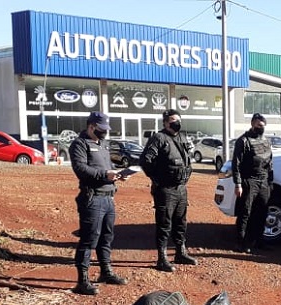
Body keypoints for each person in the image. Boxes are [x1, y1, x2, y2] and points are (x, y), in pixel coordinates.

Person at [69, 111, 129, 295]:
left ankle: (106, 272)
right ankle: (82, 281)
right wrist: (105, 174)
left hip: (108, 197)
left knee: (106, 237)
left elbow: (108, 167)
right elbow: (80, 169)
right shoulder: (80, 144)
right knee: (89, 239)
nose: (105, 132)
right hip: (92, 198)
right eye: (102, 129)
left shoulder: (103, 144)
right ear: (91, 126)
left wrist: (117, 174)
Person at [140, 109, 197, 272]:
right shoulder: (159, 138)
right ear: (165, 123)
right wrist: (157, 179)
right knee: (164, 224)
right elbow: (145, 161)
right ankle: (162, 258)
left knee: (181, 223)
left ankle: (180, 253)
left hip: (181, 188)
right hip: (166, 189)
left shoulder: (182, 137)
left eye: (178, 120)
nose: (176, 123)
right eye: (172, 120)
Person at [232, 113, 274, 254]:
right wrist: (238, 184)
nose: (261, 128)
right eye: (258, 125)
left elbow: (270, 163)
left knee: (262, 212)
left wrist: (270, 182)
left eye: (263, 126)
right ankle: (241, 243)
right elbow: (236, 164)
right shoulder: (243, 141)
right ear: (252, 124)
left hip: (264, 181)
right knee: (245, 213)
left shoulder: (266, 141)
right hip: (249, 180)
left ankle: (259, 241)